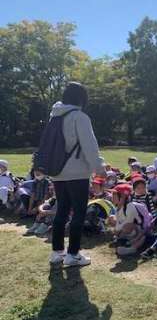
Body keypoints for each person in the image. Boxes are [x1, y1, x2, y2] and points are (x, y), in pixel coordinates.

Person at [48, 82, 105, 266]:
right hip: (77, 172)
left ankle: (57, 252)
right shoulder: (80, 117)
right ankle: (73, 254)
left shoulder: (54, 116)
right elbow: (89, 146)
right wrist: (99, 168)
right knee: (79, 213)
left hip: (57, 171)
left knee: (61, 211)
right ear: (81, 98)